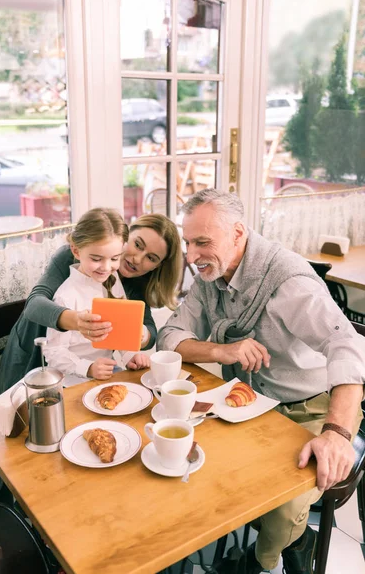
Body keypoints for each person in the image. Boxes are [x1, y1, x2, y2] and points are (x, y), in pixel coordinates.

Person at [157, 188, 365, 574]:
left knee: (283, 504)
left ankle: (259, 562)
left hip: (311, 404)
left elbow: (348, 344)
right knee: (191, 460)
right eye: (188, 242)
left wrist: (336, 432)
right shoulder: (209, 275)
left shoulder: (287, 281)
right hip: (250, 400)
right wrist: (222, 352)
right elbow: (169, 337)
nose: (191, 256)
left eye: (203, 242)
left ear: (238, 233)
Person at [0, 211, 182, 400]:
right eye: (138, 244)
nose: (137, 259)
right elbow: (35, 306)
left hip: (93, 375)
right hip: (38, 357)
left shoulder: (121, 281)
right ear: (126, 236)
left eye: (151, 258)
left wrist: (134, 346)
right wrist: (76, 321)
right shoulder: (69, 278)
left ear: (158, 266)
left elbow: (141, 330)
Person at [43, 208, 150, 386]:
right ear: (76, 251)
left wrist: (130, 355)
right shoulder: (66, 296)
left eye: (115, 258)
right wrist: (88, 368)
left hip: (107, 374)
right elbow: (53, 351)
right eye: (96, 258)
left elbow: (119, 330)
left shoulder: (113, 280)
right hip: (72, 382)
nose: (106, 268)